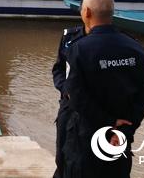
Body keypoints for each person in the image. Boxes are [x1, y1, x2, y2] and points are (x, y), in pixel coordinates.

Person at [62, 0, 144, 178]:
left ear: (86, 12)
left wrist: (108, 122)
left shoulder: (79, 49)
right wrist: (125, 128)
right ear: (112, 12)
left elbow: (76, 96)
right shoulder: (135, 48)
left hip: (85, 141)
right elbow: (143, 95)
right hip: (119, 140)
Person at [51, 22, 86, 178]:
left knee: (81, 159)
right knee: (61, 154)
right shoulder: (69, 37)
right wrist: (65, 90)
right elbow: (58, 68)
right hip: (67, 106)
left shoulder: (105, 42)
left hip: (89, 110)